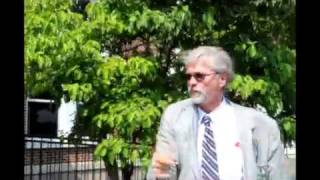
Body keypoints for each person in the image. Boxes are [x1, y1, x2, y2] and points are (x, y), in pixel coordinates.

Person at [146, 46, 289, 180]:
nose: (192, 82)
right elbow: (162, 168)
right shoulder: (174, 116)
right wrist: (161, 172)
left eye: (199, 76)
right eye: (188, 77)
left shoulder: (261, 124)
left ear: (222, 79)